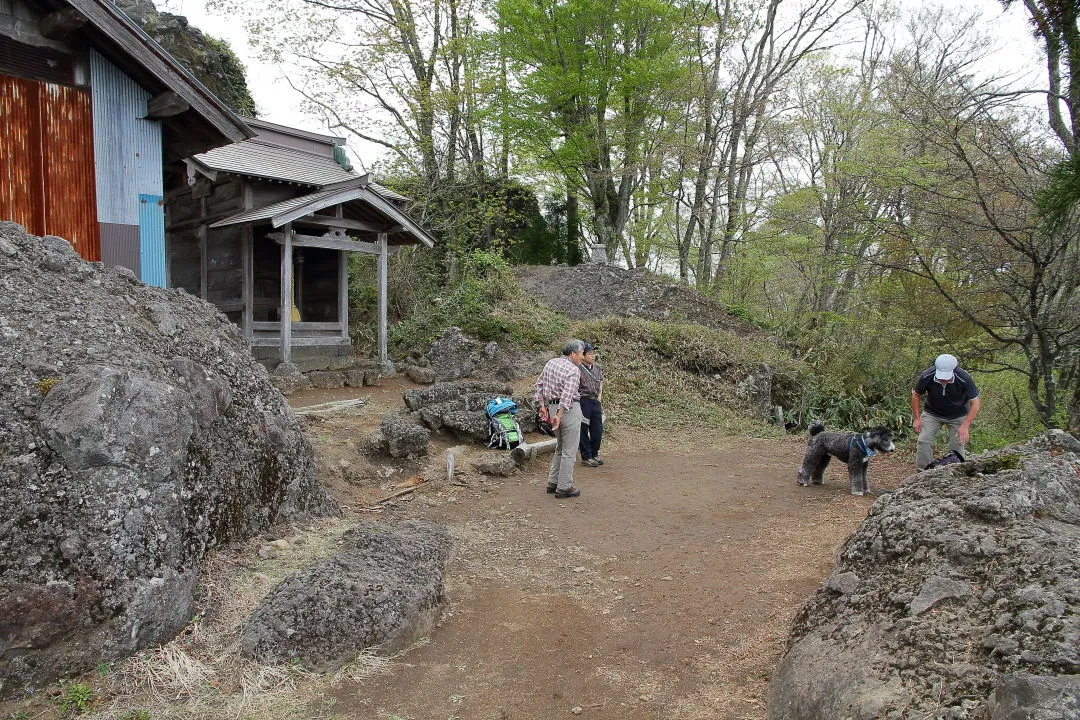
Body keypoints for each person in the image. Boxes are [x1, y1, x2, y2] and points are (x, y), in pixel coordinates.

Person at [911, 353, 981, 470]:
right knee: (923, 441)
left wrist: (965, 426)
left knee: (957, 444)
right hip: (932, 413)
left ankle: (955, 471)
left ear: (954, 370)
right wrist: (917, 418)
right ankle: (923, 472)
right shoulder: (927, 375)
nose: (944, 379)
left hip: (958, 415)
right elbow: (916, 395)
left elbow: (975, 403)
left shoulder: (964, 378)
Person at [534, 339, 585, 498]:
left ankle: (553, 482)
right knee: (569, 451)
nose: (582, 357)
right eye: (581, 353)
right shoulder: (573, 369)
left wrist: (542, 406)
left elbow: (539, 385)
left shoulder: (551, 363)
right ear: (573, 354)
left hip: (551, 407)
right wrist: (560, 415)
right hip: (567, 410)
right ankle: (564, 487)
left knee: (560, 447)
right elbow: (568, 395)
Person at [578, 342, 605, 467]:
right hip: (583, 401)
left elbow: (600, 381)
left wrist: (599, 396)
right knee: (583, 428)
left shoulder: (597, 368)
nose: (593, 356)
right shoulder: (577, 368)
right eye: (590, 353)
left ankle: (594, 453)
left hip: (595, 401)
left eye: (594, 353)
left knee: (597, 429)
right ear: (583, 355)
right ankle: (586, 456)